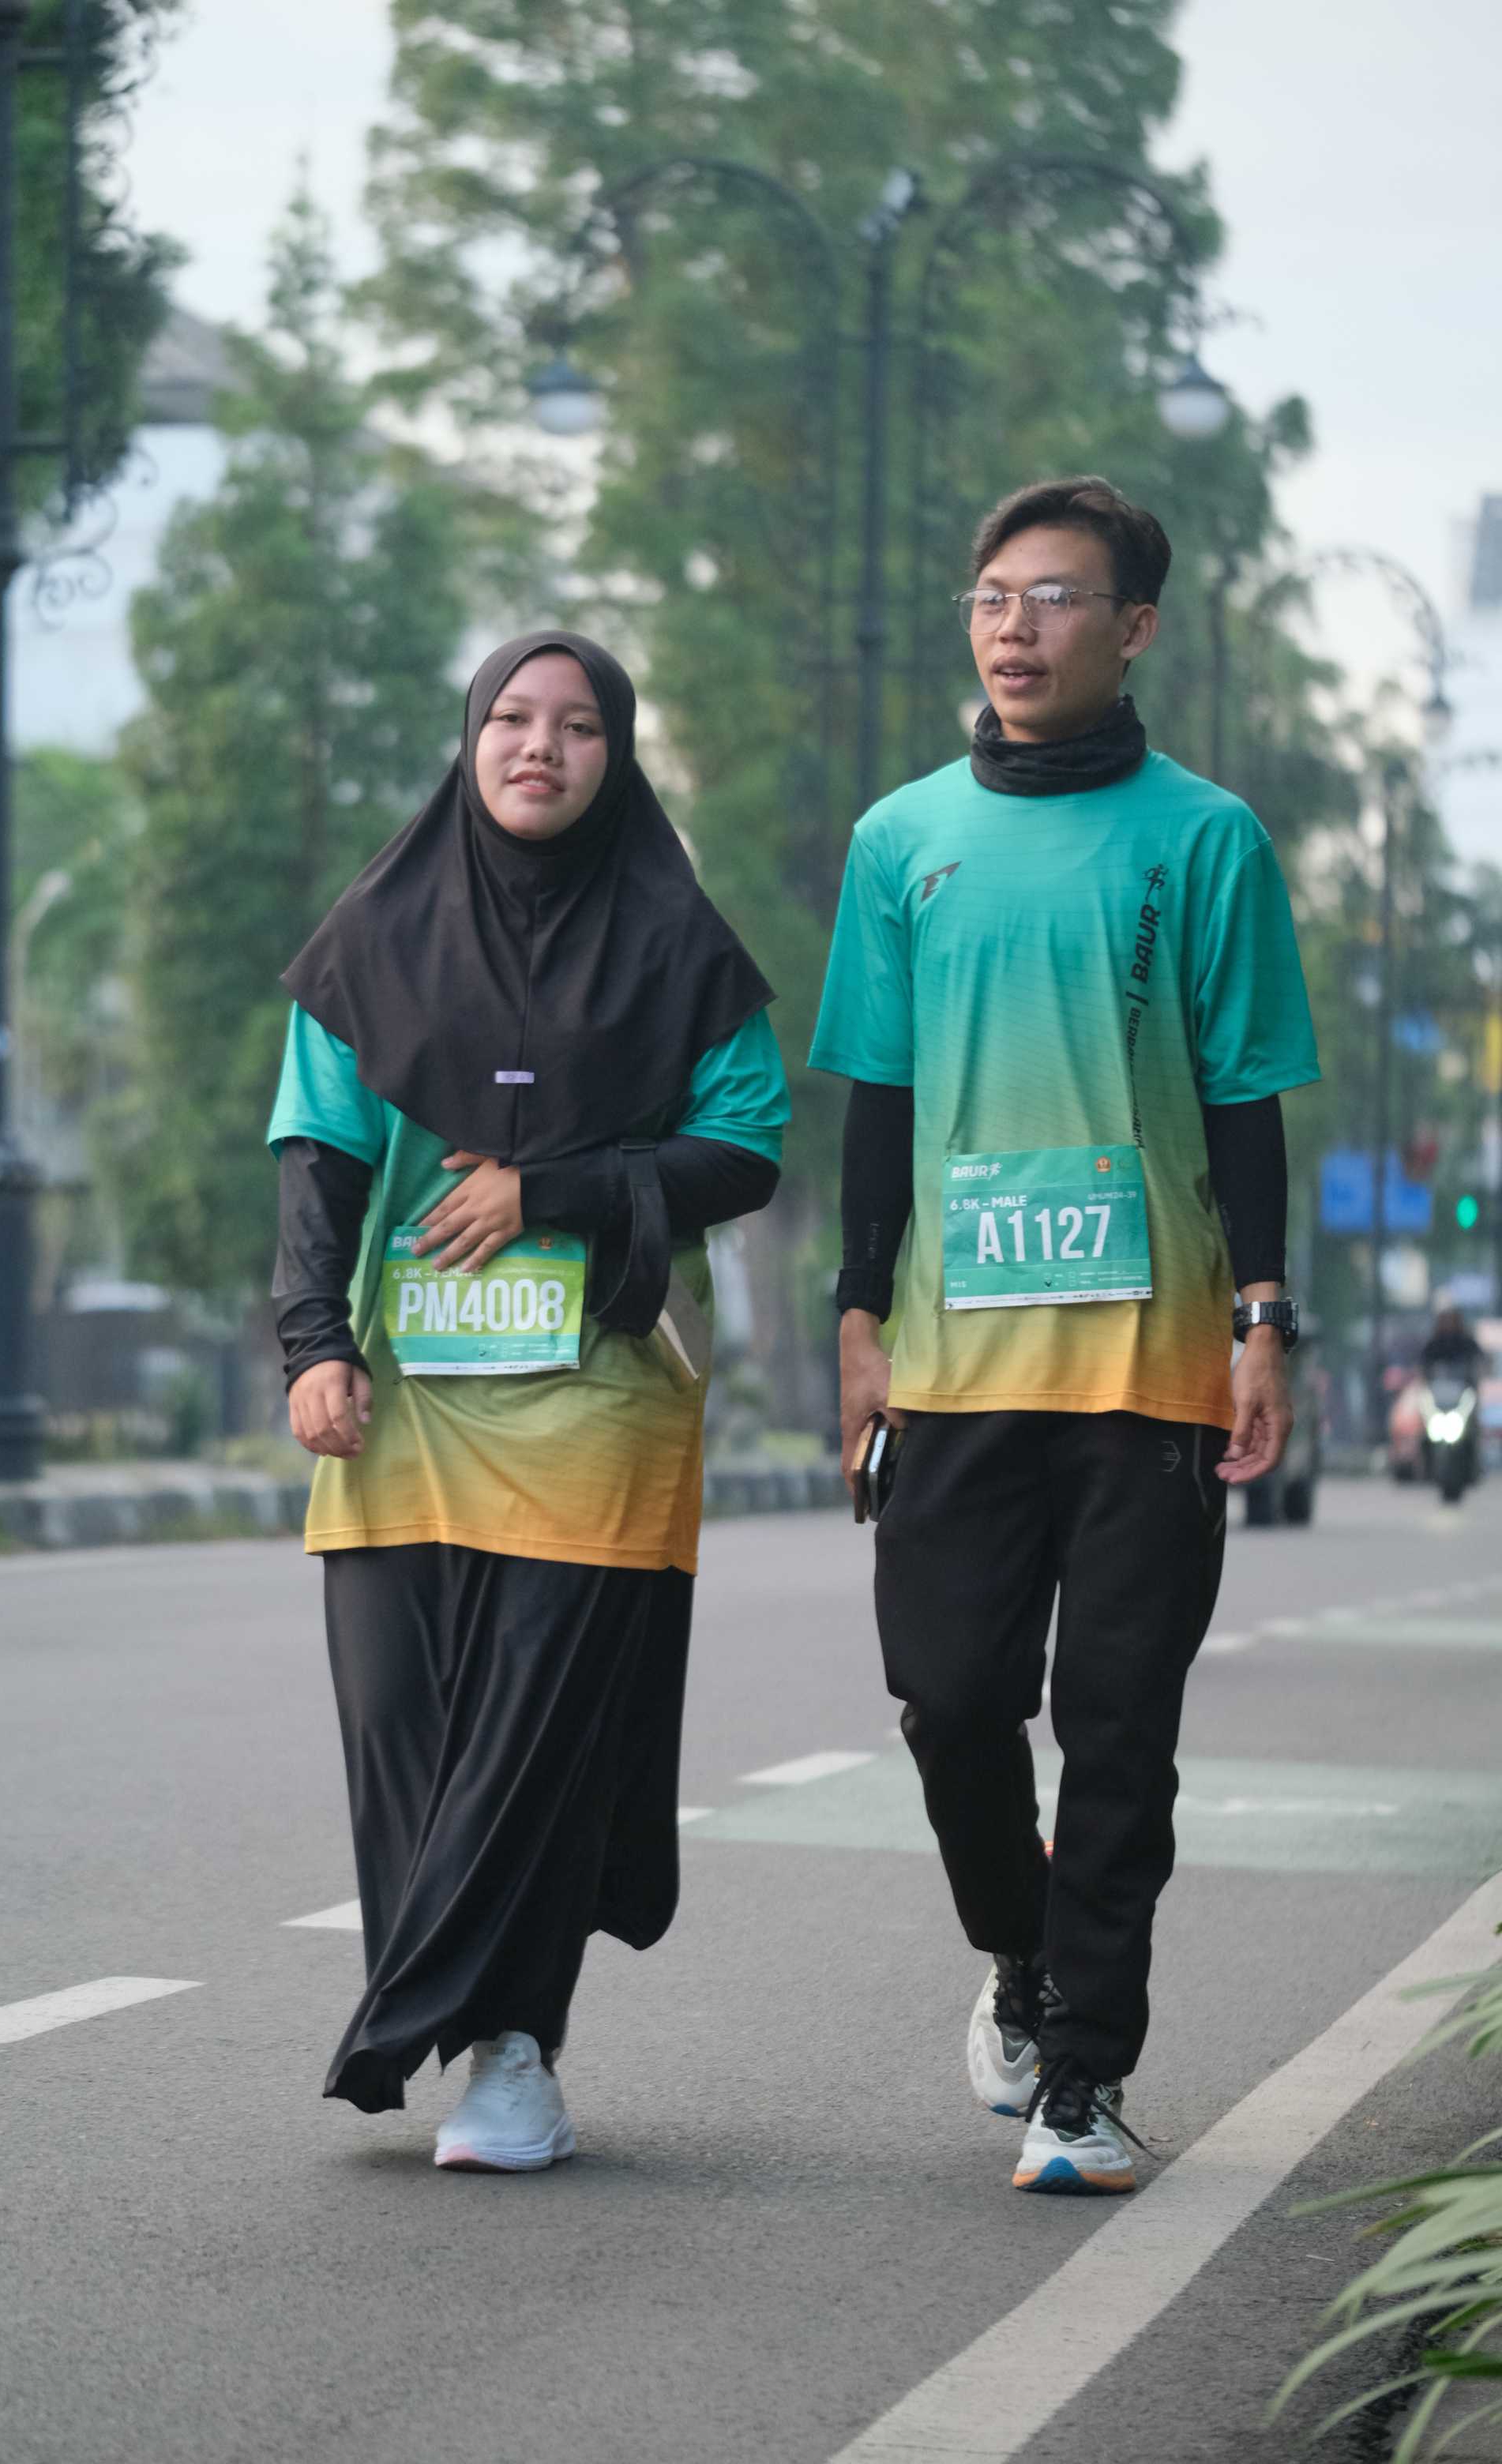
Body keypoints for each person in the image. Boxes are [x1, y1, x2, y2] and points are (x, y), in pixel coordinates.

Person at [809, 478, 1319, 2195]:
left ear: (1134, 627)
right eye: (990, 598)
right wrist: (856, 1311)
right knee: (951, 1702)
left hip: (1150, 1366)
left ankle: (1083, 2077)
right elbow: (875, 1099)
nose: (1012, 627)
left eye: (1052, 597)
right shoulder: (900, 840)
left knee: (1116, 1727)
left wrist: (1263, 1319)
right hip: (955, 1363)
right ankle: (1018, 1952)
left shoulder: (1207, 839)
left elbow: (1245, 1100)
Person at [268, 629, 789, 2169]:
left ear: (616, 756)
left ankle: (506, 2051)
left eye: (577, 726)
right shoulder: (370, 936)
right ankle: (444, 2010)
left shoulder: (680, 946)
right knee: (404, 1730)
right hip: (405, 1393)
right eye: (511, 716)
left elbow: (745, 1148)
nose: (539, 747)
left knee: (529, 1744)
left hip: (598, 1393)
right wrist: (312, 1343)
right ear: (470, 736)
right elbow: (318, 1153)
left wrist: (546, 1186)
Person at [1421, 1300, 1487, 1384]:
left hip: (1465, 1384)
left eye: (1451, 1320)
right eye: (1445, 1320)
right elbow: (1424, 1363)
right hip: (1438, 1384)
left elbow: (1479, 1360)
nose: (1448, 1324)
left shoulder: (1467, 1343)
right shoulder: (1434, 1345)